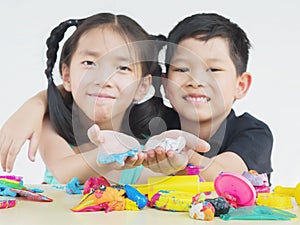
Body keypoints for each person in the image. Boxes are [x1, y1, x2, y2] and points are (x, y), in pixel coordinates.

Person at [0, 12, 209, 184]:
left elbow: (151, 183)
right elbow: (64, 172)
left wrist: (172, 157)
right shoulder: (52, 126)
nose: (103, 79)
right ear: (66, 75)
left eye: (123, 67)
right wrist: (107, 153)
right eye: (89, 63)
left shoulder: (147, 148)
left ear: (142, 86)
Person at [142, 13, 273, 182]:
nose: (195, 82)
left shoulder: (254, 133)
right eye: (182, 69)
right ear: (166, 85)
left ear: (240, 86)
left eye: (213, 70)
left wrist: (182, 155)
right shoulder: (151, 123)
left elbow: (224, 176)